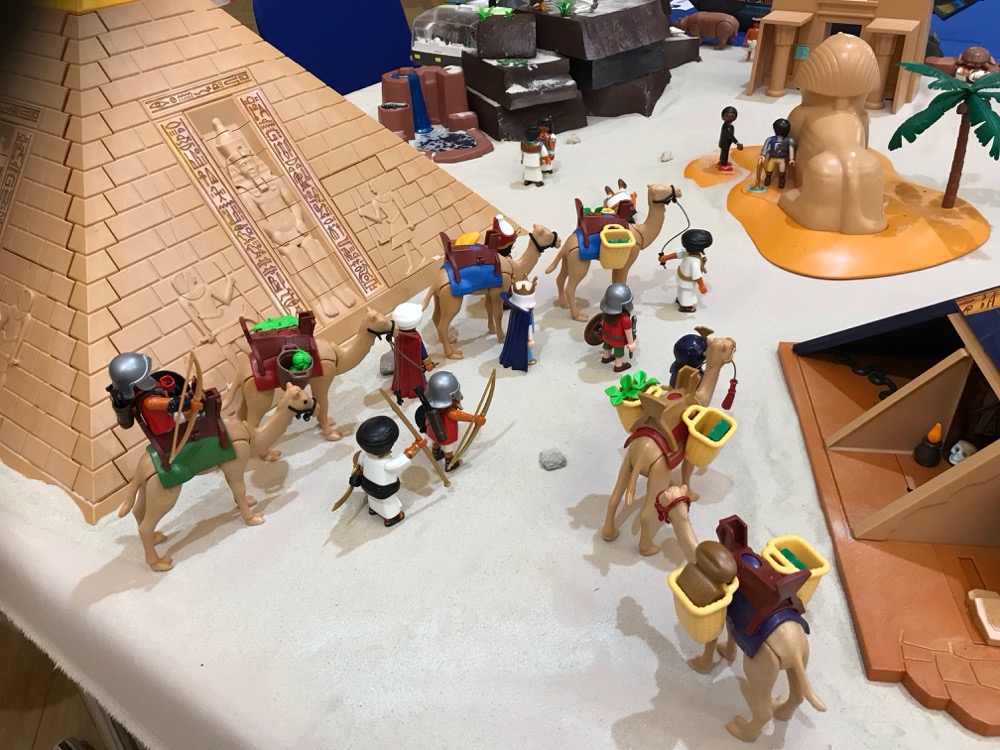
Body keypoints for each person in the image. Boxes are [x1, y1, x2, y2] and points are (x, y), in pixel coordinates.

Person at [353, 416, 425, 527]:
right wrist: (416, 446)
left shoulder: (364, 455)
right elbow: (403, 460)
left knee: (372, 498)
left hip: (366, 484)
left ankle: (373, 508)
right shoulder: (386, 464)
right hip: (384, 490)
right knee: (388, 503)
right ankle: (392, 517)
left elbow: (358, 462)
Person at [418, 371, 485, 471]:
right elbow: (455, 415)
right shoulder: (448, 411)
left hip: (432, 429)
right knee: (447, 448)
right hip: (445, 433)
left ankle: (436, 453)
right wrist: (474, 419)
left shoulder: (430, 405)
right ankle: (449, 463)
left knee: (435, 441)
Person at [389, 302, 432, 404]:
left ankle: (402, 387)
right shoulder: (415, 338)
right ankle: (422, 384)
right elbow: (422, 352)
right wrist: (427, 363)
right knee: (418, 374)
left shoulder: (398, 336)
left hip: (402, 365)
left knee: (403, 373)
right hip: (415, 364)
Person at [659, 229, 711, 313]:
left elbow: (677, 254)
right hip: (687, 281)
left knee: (681, 290)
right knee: (687, 293)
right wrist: (702, 286)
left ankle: (680, 299)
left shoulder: (688, 252)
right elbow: (697, 276)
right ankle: (686, 306)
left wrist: (666, 258)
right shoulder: (694, 262)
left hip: (681, 276)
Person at [499, 276, 537, 371]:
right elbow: (529, 327)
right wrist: (531, 338)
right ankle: (527, 359)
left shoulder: (516, 312)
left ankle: (519, 357)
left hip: (519, 336)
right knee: (526, 348)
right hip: (526, 337)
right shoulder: (526, 315)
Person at [598, 283, 636, 373]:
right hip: (617, 340)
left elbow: (602, 322)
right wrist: (631, 343)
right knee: (619, 351)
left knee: (607, 345)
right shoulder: (625, 319)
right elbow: (628, 331)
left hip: (606, 336)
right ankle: (618, 365)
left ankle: (606, 357)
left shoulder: (606, 313)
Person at [756, 118, 796, 189]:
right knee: (769, 170)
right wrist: (763, 155)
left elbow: (791, 149)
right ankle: (768, 179)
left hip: (782, 159)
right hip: (772, 158)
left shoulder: (788, 140)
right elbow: (765, 148)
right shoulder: (770, 139)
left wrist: (791, 159)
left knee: (782, 172)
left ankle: (781, 181)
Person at [717, 106, 743, 171]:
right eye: (726, 116)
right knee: (725, 153)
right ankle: (723, 164)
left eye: (732, 116)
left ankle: (722, 161)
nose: (729, 118)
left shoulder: (728, 125)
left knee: (723, 152)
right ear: (722, 116)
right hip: (725, 143)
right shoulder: (727, 127)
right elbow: (731, 136)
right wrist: (737, 143)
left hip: (725, 142)